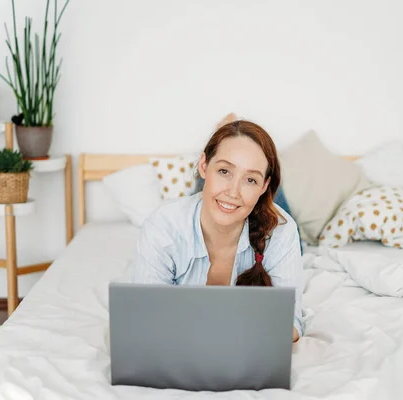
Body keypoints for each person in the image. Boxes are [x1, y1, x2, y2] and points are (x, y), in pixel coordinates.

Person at [129, 120, 304, 342]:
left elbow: (292, 323)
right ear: (203, 165)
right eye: (224, 171)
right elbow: (146, 320)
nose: (233, 191)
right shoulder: (162, 227)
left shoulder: (282, 231)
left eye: (250, 179)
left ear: (264, 186)